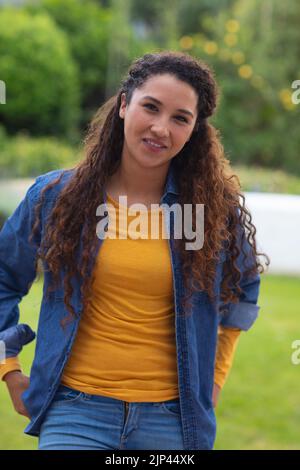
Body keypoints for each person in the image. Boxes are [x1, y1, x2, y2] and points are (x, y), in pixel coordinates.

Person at [0, 51, 269, 450]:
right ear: (125, 105)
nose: (161, 128)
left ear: (194, 129)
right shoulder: (57, 197)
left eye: (180, 118)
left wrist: (213, 381)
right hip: (75, 413)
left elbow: (243, 290)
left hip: (172, 425)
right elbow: (5, 276)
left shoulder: (210, 212)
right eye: (151, 107)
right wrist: (8, 366)